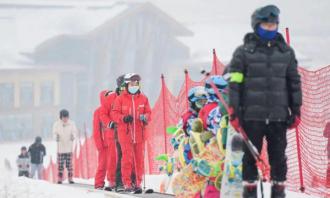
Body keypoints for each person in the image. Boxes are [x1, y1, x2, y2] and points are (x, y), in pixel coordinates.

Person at [227, 5, 302, 198]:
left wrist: (296, 110)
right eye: (266, 25)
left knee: (279, 158)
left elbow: (294, 82)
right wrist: (233, 111)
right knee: (250, 158)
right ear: (256, 25)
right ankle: (249, 192)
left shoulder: (286, 53)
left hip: (278, 117)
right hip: (251, 117)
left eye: (273, 25)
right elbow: (234, 85)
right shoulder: (243, 53)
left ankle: (278, 192)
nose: (270, 28)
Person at [112, 73, 151, 192]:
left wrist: (145, 117)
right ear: (127, 84)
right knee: (127, 159)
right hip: (125, 134)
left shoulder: (143, 98)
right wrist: (123, 118)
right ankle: (127, 183)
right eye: (132, 83)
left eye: (137, 83)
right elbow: (114, 114)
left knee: (139, 160)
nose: (135, 85)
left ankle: (138, 183)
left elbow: (149, 112)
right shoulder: (120, 98)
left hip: (140, 133)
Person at [97, 75, 125, 191]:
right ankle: (112, 180)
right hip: (112, 133)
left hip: (126, 132)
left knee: (126, 157)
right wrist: (110, 123)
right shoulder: (111, 98)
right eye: (123, 85)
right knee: (114, 157)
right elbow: (103, 114)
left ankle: (127, 180)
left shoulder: (130, 98)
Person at [52, 109, 78, 184]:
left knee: (69, 165)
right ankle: (60, 178)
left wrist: (73, 136)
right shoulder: (56, 124)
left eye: (66, 117)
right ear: (61, 117)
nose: (65, 119)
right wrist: (56, 137)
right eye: (64, 117)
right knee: (60, 165)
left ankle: (70, 178)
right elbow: (54, 133)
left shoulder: (72, 123)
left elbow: (74, 132)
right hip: (60, 148)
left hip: (69, 147)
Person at [324, 122, 330, 188]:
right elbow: (324, 134)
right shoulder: (329, 124)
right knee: (329, 165)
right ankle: (328, 182)